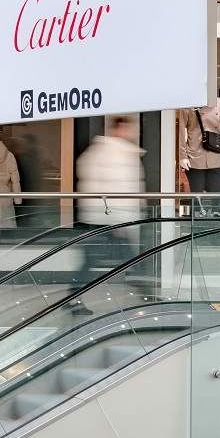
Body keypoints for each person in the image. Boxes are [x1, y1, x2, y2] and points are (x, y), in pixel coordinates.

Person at [70, 117, 147, 316]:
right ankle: (149, 297)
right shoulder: (113, 154)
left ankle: (73, 299)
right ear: (119, 129)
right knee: (127, 260)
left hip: (106, 218)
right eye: (131, 129)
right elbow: (116, 189)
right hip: (108, 219)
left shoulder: (113, 152)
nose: (135, 133)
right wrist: (120, 218)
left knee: (96, 261)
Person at [179, 97, 220, 211]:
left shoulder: (219, 103)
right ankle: (196, 224)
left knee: (218, 196)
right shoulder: (187, 104)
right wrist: (183, 155)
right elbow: (181, 132)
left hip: (217, 154)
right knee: (196, 196)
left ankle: (218, 224)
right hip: (195, 155)